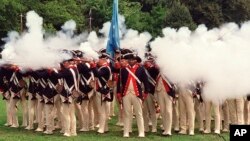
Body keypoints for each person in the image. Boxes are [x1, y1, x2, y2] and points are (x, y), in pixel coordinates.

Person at [117, 52, 150, 138]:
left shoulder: (141, 69)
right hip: (126, 94)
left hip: (137, 94)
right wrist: (118, 93)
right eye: (130, 59)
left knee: (139, 114)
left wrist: (146, 92)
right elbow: (119, 83)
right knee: (127, 113)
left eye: (133, 60)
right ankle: (126, 131)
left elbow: (146, 82)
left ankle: (141, 132)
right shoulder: (123, 69)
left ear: (136, 61)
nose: (131, 61)